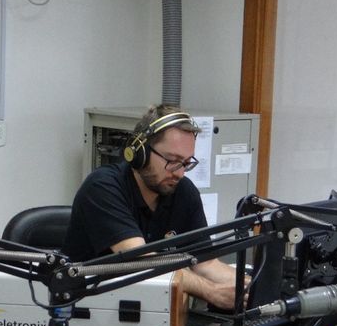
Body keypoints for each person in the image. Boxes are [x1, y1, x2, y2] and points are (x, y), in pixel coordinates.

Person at [62, 105, 241, 309]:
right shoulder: (102, 187)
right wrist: (211, 291)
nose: (179, 173)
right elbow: (141, 261)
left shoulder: (183, 191)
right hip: (88, 309)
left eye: (186, 163)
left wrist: (247, 286)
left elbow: (205, 263)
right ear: (140, 153)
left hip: (151, 310)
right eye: (172, 160)